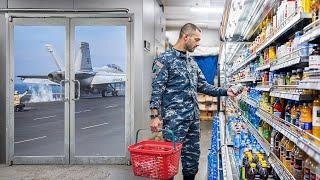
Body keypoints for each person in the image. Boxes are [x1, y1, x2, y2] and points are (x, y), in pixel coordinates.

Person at [149, 23, 241, 180]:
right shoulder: (164, 59)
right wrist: (155, 116)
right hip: (174, 121)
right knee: (169, 162)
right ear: (186, 37)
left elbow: (204, 86)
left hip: (193, 120)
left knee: (191, 162)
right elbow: (157, 89)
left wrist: (226, 91)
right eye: (196, 39)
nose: (198, 44)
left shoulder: (191, 62)